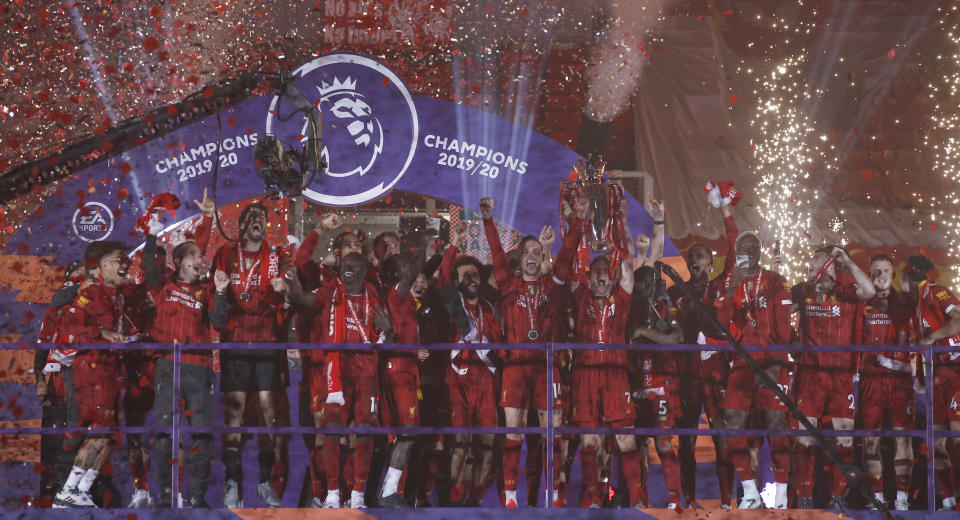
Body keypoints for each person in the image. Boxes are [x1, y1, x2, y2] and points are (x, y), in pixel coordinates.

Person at [478, 197, 575, 508]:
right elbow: (495, 254)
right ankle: (509, 498)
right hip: (517, 366)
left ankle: (553, 496)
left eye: (537, 252)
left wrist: (555, 244)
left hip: (548, 367)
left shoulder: (552, 287)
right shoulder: (507, 285)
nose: (532, 256)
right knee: (514, 432)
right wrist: (489, 220)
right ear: (519, 258)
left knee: (553, 434)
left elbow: (565, 261)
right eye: (527, 252)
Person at [559, 194, 647, 510]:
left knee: (626, 439)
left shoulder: (621, 298)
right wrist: (575, 222)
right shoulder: (581, 295)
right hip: (584, 375)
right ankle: (593, 497)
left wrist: (622, 222)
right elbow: (567, 266)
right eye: (594, 271)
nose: (599, 276)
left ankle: (637, 500)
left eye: (603, 272)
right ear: (588, 276)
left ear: (610, 278)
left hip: (615, 375)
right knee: (589, 441)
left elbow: (627, 265)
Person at [142, 215, 230, 508]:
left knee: (202, 433)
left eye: (200, 256)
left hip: (200, 367)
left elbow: (220, 322)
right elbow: (148, 268)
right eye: (192, 255)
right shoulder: (163, 287)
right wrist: (151, 237)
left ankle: (195, 495)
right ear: (179, 262)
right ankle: (167, 493)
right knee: (166, 432)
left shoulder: (207, 292)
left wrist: (220, 291)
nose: (199, 259)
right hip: (169, 365)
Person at [210, 202, 290, 508]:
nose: (259, 222)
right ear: (242, 224)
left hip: (267, 343)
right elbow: (217, 304)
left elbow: (287, 298)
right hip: (236, 344)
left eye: (263, 218)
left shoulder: (277, 256)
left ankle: (265, 481)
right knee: (234, 415)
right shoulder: (225, 254)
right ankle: (232, 484)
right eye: (253, 217)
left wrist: (287, 289)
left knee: (270, 415)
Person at [792, 246, 875, 509]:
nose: (809, 263)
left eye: (816, 260)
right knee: (804, 437)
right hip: (809, 374)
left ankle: (839, 496)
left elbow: (870, 291)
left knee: (845, 438)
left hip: (840, 376)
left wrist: (847, 260)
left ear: (830, 264)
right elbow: (780, 311)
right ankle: (805, 497)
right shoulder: (803, 291)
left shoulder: (847, 293)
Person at [715, 230, 793, 509]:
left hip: (772, 362)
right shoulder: (731, 283)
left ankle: (781, 498)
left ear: (760, 252)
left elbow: (784, 328)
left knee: (776, 425)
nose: (748, 253)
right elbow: (721, 323)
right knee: (732, 422)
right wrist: (731, 285)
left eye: (752, 248)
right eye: (742, 249)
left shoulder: (776, 281)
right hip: (743, 364)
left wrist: (776, 364)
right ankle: (749, 492)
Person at [53, 241, 133, 508]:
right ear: (103, 266)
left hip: (112, 370)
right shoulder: (92, 293)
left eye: (126, 261)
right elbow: (68, 325)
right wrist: (102, 335)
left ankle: (82, 490)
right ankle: (66, 491)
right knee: (98, 433)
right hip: (93, 370)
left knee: (109, 437)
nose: (125, 265)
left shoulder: (119, 296)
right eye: (119, 261)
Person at [313, 252, 393, 508]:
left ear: (364, 270)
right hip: (337, 371)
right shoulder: (330, 292)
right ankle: (333, 494)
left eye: (355, 267)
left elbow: (386, 339)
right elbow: (304, 299)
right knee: (332, 432)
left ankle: (358, 494)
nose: (349, 270)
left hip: (367, 373)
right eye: (345, 266)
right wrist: (290, 281)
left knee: (365, 433)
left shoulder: (374, 294)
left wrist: (389, 330)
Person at [672, 204, 737, 509]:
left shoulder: (720, 286)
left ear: (711, 262)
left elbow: (736, 253)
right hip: (687, 375)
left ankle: (727, 501)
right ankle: (688, 501)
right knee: (686, 441)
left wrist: (726, 213)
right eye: (691, 256)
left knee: (722, 437)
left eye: (700, 256)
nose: (693, 259)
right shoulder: (675, 292)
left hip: (715, 372)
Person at [437, 222, 503, 506]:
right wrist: (455, 245)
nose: (472, 279)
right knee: (461, 443)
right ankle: (454, 499)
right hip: (458, 378)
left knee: (488, 445)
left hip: (487, 380)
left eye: (475, 274)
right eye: (465, 276)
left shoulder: (491, 308)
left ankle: (475, 499)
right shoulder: (453, 305)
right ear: (458, 282)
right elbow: (441, 280)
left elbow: (500, 346)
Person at [857, 254, 914, 511]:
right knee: (871, 441)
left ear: (893, 273)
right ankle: (877, 498)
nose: (881, 276)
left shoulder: (904, 301)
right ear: (869, 274)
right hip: (870, 380)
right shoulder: (861, 301)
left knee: (903, 440)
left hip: (899, 381)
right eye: (876, 271)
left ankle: (902, 499)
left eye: (886, 271)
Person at [906, 254, 960, 512]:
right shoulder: (910, 304)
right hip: (935, 375)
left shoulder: (937, 293)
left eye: (914, 273)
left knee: (957, 438)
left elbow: (959, 319)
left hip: (955, 370)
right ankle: (949, 500)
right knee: (936, 442)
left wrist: (932, 338)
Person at [377, 250, 426, 507]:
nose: (408, 268)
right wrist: (424, 244)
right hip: (399, 369)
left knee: (404, 434)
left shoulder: (405, 300)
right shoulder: (396, 295)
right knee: (408, 431)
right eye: (403, 265)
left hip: (405, 368)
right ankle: (388, 490)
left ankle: (391, 489)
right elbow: (411, 274)